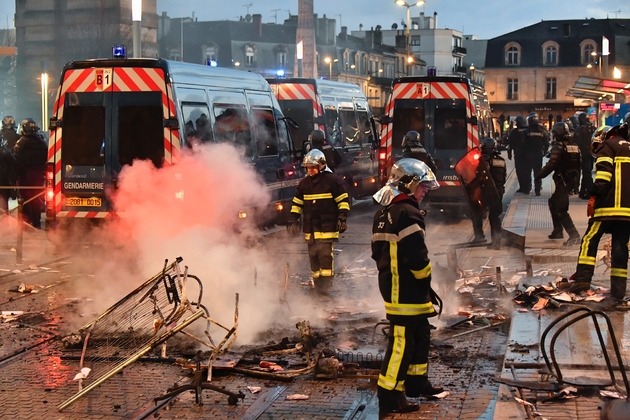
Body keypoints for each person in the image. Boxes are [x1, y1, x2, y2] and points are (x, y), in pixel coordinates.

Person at [371, 158, 443, 417]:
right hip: (406, 290)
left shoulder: (383, 214)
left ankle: (416, 382)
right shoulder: (408, 213)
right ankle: (389, 395)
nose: (425, 191)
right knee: (401, 342)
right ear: (408, 185)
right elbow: (417, 258)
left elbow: (376, 253)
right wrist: (425, 279)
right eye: (422, 186)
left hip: (396, 287)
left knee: (421, 333)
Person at [561, 122, 630, 299]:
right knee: (620, 247)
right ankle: (618, 292)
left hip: (607, 207)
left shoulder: (607, 146)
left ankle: (582, 281)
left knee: (589, 240)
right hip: (627, 211)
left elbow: (604, 175)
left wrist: (594, 197)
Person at [287, 149, 350, 293]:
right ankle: (317, 285)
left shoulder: (333, 181)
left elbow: (344, 201)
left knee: (325, 257)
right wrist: (292, 220)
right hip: (311, 230)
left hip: (327, 228)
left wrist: (342, 217)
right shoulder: (304, 184)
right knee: (313, 257)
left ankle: (326, 287)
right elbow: (297, 204)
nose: (310, 170)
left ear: (321, 166)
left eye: (313, 167)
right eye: (308, 168)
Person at [534, 122, 581, 245]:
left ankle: (574, 234)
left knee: (561, 208)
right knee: (553, 202)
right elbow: (579, 164)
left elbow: (552, 164)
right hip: (571, 180)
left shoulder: (558, 146)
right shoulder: (575, 146)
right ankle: (558, 230)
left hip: (562, 179)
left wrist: (540, 175)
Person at [471, 138, 506, 249]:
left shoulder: (484, 159)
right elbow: (503, 177)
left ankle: (479, 237)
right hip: (498, 190)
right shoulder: (501, 160)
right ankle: (496, 242)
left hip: (487, 190)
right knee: (495, 216)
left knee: (476, 212)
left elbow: (481, 175)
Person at [14, 118, 48, 229]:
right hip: (39, 176)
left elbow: (17, 161)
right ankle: (36, 223)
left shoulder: (21, 143)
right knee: (37, 201)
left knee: (25, 200)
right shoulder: (42, 143)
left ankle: (25, 224)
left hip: (25, 177)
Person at [522, 113, 549, 196]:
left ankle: (527, 189)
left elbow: (522, 143)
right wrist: (544, 151)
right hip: (538, 154)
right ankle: (537, 190)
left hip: (528, 154)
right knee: (538, 172)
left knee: (527, 172)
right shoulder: (542, 131)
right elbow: (547, 143)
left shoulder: (526, 131)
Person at [575, 112, 595, 199]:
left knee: (586, 173)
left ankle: (591, 191)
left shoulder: (580, 129)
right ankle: (583, 191)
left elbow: (575, 142)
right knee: (587, 172)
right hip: (592, 153)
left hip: (583, 153)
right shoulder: (593, 128)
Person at [508, 115, 528, 193]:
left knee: (520, 171)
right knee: (526, 171)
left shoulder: (514, 131)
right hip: (527, 154)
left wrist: (509, 153)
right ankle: (526, 187)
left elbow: (510, 143)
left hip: (518, 154)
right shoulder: (528, 130)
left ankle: (522, 186)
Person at [0, 139, 17, 218]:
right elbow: (13, 166)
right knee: (3, 204)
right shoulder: (5, 152)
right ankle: (3, 223)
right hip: (3, 181)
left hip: (3, 181)